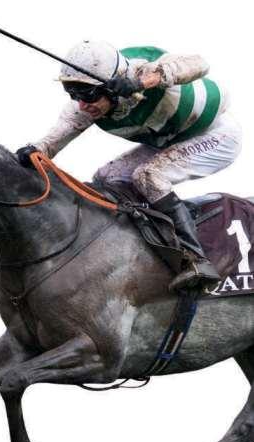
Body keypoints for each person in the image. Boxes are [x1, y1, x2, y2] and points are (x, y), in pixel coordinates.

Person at [16, 41, 242, 291]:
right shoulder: (85, 108)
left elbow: (200, 63)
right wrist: (34, 151)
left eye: (88, 95)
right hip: (170, 140)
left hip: (216, 136)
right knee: (106, 178)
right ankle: (145, 240)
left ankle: (197, 260)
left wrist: (142, 82)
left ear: (111, 86)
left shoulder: (143, 69)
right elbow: (52, 142)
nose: (82, 105)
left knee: (148, 176)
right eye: (74, 95)